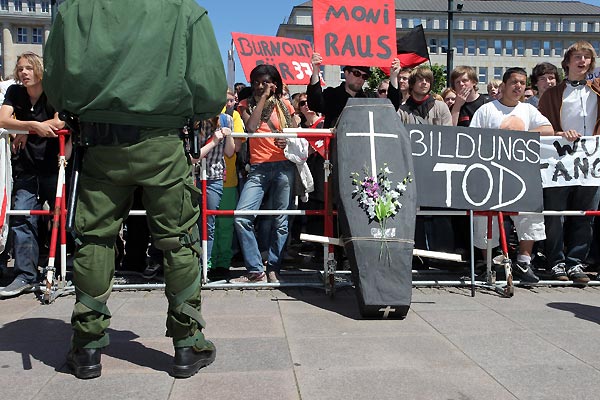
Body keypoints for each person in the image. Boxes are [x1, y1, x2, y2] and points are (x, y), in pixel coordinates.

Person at [43, 0, 226, 379]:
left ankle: (87, 347)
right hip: (162, 144)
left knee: (94, 240)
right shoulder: (184, 10)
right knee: (178, 241)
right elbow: (210, 92)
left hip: (100, 145)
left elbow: (56, 88)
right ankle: (187, 346)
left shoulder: (73, 10)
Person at [470, 67, 554, 283]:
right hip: (489, 173)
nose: (519, 86)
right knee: (484, 218)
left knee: (529, 215)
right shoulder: (487, 110)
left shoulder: (528, 110)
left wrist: (520, 135)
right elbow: (472, 137)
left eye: (523, 83)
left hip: (520, 174)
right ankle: (491, 263)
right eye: (514, 82)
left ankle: (524, 262)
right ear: (504, 86)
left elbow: (548, 130)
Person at [0, 52, 65, 298]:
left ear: (39, 69)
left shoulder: (52, 91)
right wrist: (32, 126)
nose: (23, 73)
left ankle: (64, 269)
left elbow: (59, 122)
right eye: (20, 69)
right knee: (22, 217)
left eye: (28, 68)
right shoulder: (15, 93)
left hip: (53, 165)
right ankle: (25, 275)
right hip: (25, 166)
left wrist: (26, 128)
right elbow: (2, 118)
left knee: (62, 217)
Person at [538, 41, 600, 284]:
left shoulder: (597, 90)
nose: (582, 61)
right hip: (559, 162)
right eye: (577, 56)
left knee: (586, 214)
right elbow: (541, 125)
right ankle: (556, 261)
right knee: (555, 214)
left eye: (587, 57)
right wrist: (560, 133)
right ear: (567, 62)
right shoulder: (553, 94)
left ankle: (575, 263)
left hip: (591, 161)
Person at [232, 64, 297, 283]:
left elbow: (297, 132)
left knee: (281, 220)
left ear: (275, 83)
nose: (260, 86)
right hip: (258, 168)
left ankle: (274, 267)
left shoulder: (286, 105)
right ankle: (255, 269)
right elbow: (251, 127)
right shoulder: (245, 104)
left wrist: (287, 139)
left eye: (264, 82)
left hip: (284, 166)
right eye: (256, 82)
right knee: (242, 216)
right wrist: (263, 98)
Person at [192, 109, 235, 280]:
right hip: (192, 176)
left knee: (208, 223)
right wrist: (214, 141)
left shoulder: (226, 119)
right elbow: (193, 157)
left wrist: (228, 135)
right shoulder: (193, 119)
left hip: (214, 176)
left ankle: (204, 267)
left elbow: (230, 152)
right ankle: (192, 265)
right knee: (191, 222)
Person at [306, 52, 373, 129]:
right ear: (346, 73)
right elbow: (315, 104)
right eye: (357, 73)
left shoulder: (368, 100)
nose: (360, 79)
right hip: (336, 140)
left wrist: (390, 75)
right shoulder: (332, 95)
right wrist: (315, 70)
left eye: (365, 76)